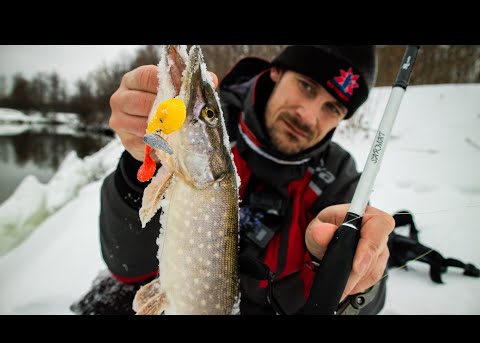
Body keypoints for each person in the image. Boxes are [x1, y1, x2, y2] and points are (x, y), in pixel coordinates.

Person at [71, 45, 395, 315]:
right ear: (277, 71)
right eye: (306, 87)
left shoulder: (339, 179)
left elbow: (360, 303)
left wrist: (360, 276)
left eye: (332, 108)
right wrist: (139, 167)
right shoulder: (213, 127)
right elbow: (127, 266)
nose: (308, 116)